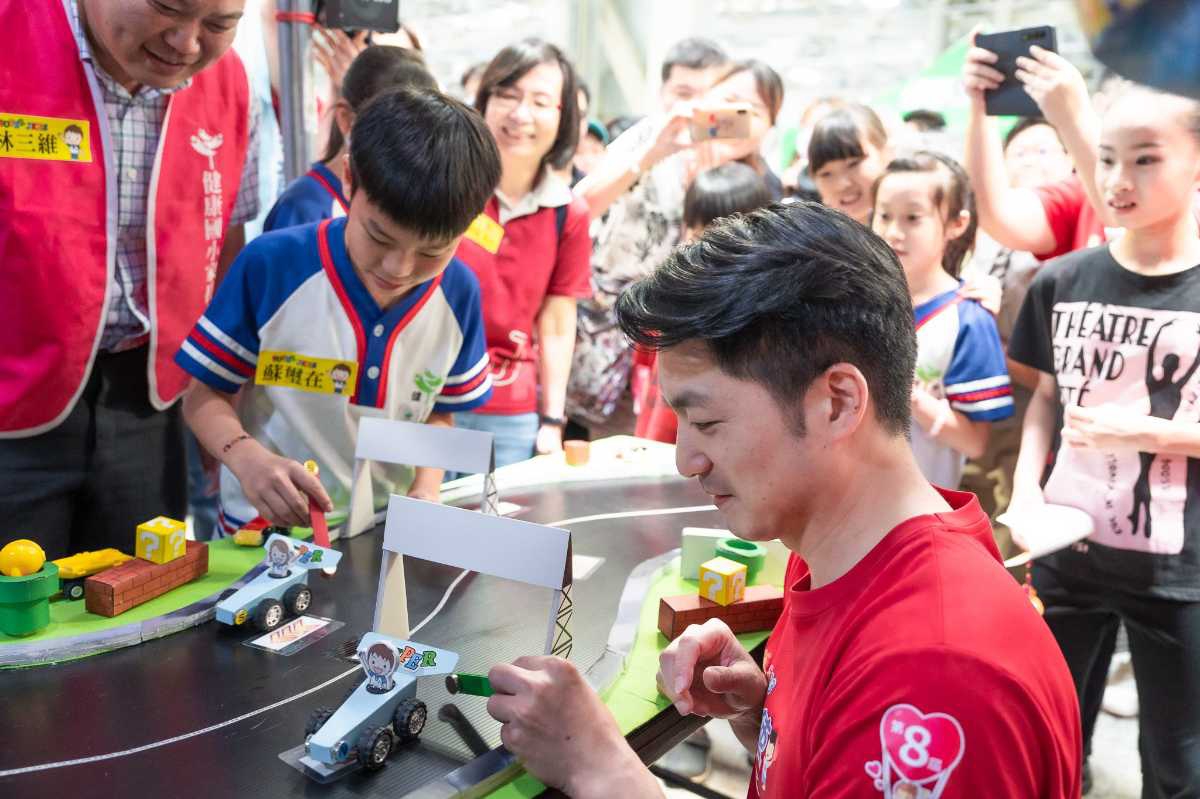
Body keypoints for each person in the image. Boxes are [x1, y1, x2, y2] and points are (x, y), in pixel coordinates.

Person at [484, 203, 1081, 798]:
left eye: (709, 421)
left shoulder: (933, 675)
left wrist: (598, 765)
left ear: (838, 403)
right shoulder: (830, 552)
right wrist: (771, 719)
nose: (686, 459)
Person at [0, 0, 259, 560]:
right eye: (169, 8)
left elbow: (228, 237)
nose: (188, 44)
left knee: (136, 601)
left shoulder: (232, 84)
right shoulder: (12, 36)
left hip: (149, 401)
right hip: (12, 400)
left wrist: (222, 393)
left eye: (219, 24)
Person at [177, 88, 501, 535]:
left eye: (432, 252)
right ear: (350, 179)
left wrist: (427, 488)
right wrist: (246, 458)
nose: (399, 269)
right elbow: (201, 396)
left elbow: (441, 411)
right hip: (265, 531)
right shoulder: (272, 265)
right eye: (380, 238)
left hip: (383, 529)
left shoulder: (459, 291)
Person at [1008, 81, 1200, 797]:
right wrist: (1026, 491)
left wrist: (1143, 429)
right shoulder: (1064, 279)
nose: (1119, 181)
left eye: (1146, 160)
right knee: (1052, 739)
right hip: (1067, 550)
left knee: (1176, 762)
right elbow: (1045, 399)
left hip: (1178, 570)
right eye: (1108, 158)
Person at [568, 57, 786, 437]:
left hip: (684, 361)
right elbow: (576, 211)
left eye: (755, 112)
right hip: (599, 344)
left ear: (769, 127)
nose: (738, 118)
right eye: (731, 101)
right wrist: (654, 153)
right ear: (708, 98)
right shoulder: (658, 135)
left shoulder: (760, 185)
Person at [452, 39, 592, 466]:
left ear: (562, 117)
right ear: (484, 101)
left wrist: (552, 418)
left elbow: (556, 321)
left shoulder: (567, 212)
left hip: (511, 408)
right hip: (428, 396)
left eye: (539, 101)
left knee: (500, 527)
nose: (520, 115)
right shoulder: (449, 185)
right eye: (507, 96)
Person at [871, 152, 1013, 488]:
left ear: (956, 224)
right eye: (884, 215)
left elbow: (974, 441)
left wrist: (909, 395)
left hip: (918, 511)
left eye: (912, 218)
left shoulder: (968, 318)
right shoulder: (855, 299)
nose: (894, 231)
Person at [632, 162, 774, 444]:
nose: (696, 242)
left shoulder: (760, 315)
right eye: (693, 229)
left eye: (711, 232)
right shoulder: (673, 296)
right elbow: (646, 365)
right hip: (659, 436)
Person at [962, 30, 1109, 261]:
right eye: (1019, 153)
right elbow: (997, 214)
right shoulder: (1079, 196)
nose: (1030, 162)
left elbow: (1125, 211)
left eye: (1043, 151)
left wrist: (1074, 115)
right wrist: (980, 106)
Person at [263, 45, 436, 232]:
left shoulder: (402, 207)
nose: (407, 149)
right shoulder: (303, 209)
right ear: (346, 118)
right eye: (389, 132)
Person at [808, 102, 890, 226]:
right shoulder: (813, 240)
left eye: (853, 164)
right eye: (826, 174)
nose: (841, 184)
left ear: (885, 153)